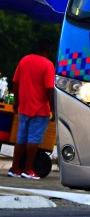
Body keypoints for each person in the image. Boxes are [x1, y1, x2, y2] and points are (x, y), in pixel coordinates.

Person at [8, 39, 55, 180]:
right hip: (40, 110)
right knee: (33, 140)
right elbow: (49, 89)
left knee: (21, 138)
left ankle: (14, 168)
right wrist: (53, 108)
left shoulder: (24, 60)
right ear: (48, 51)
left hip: (24, 107)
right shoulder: (48, 65)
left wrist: (16, 102)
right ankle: (28, 170)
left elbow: (15, 83)